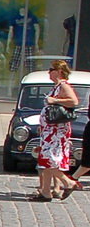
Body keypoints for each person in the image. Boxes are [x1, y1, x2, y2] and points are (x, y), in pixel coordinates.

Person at [32, 58, 79, 201]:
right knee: (45, 160)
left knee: (48, 160)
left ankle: (68, 182)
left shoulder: (64, 85)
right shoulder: (56, 86)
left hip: (56, 132)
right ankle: (46, 191)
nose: (49, 72)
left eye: (51, 70)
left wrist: (56, 100)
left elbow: (74, 101)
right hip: (49, 130)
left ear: (58, 71)